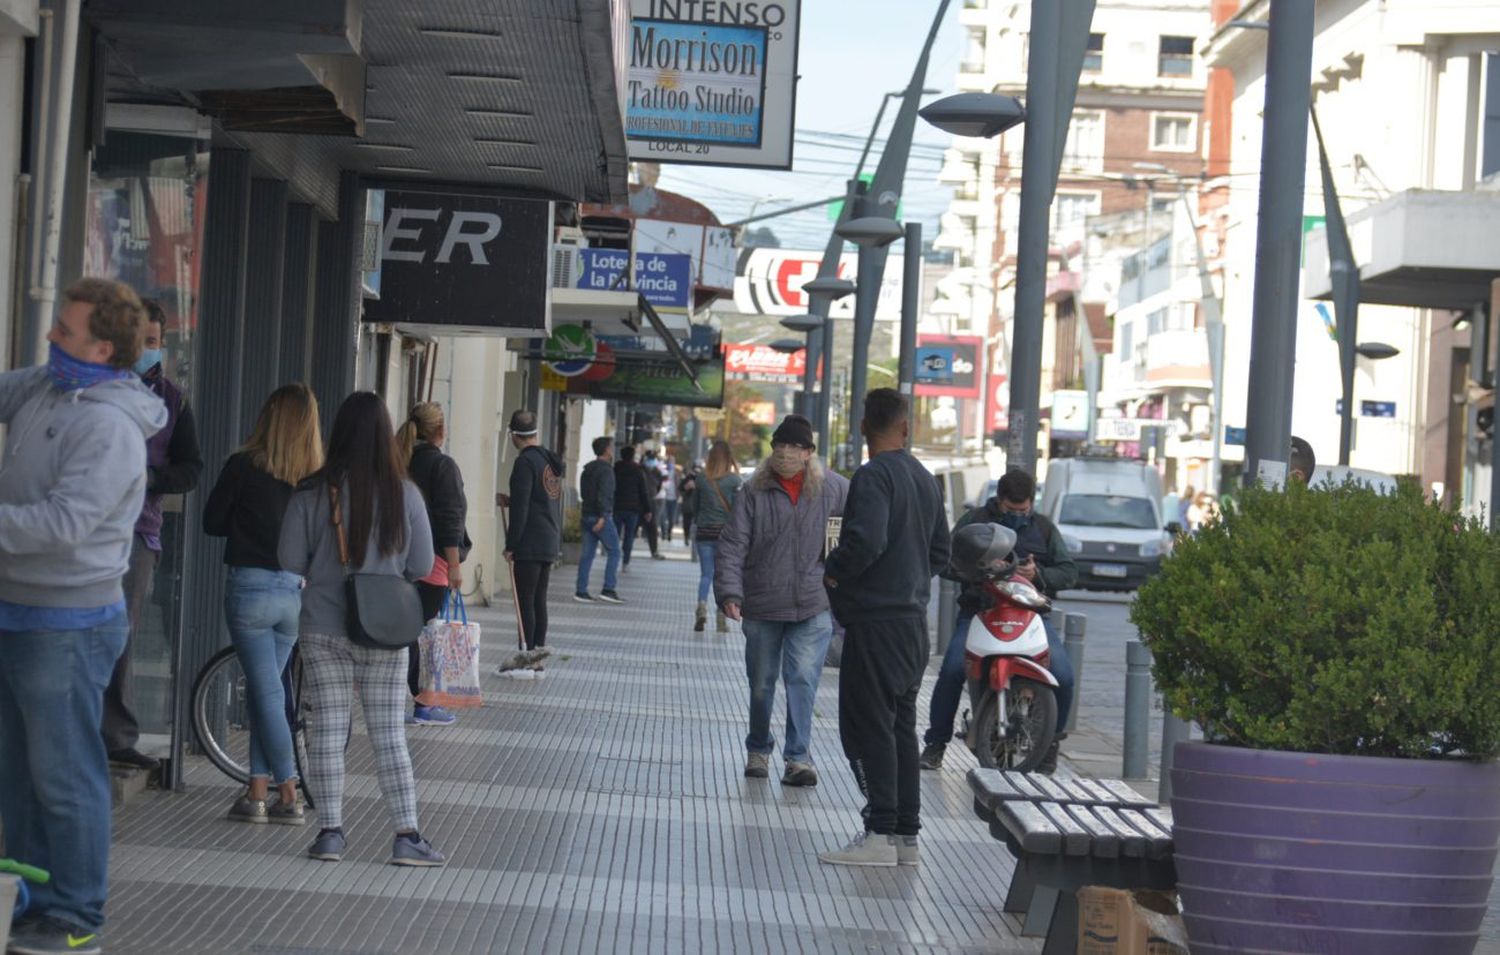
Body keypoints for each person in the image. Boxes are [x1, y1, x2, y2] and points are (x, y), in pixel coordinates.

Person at [0, 278, 167, 955]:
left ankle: (74, 917)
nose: (49, 337)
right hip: (18, 609)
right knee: (20, 773)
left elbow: (65, 523)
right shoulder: (49, 387)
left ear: (102, 346)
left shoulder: (109, 426)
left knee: (65, 774)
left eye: (63, 331)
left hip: (67, 624)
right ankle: (30, 903)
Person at [277, 392, 445, 867]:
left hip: (322, 625)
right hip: (384, 631)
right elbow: (420, 564)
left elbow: (289, 559)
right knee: (388, 733)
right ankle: (406, 836)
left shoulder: (312, 491)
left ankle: (330, 833)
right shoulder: (405, 493)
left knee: (327, 731)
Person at [820, 390, 949, 868]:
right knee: (900, 729)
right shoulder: (924, 479)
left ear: (862, 427)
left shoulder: (874, 477)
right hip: (913, 625)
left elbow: (866, 540)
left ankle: (878, 833)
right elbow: (942, 553)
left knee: (866, 727)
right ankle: (904, 839)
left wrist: (836, 569)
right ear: (906, 426)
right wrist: (908, 577)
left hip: (875, 623)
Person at [203, 383, 323, 824]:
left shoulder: (242, 466)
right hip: (294, 593)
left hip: (251, 591)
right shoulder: (315, 479)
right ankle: (256, 792)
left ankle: (288, 792)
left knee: (267, 690)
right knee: (266, 689)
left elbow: (212, 522)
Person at [716, 416, 849, 787]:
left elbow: (853, 536)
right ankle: (758, 748)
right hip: (762, 602)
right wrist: (730, 592)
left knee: (803, 680)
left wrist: (842, 584)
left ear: (809, 453)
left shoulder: (835, 490)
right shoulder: (753, 491)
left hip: (813, 602)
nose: (786, 454)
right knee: (761, 682)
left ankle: (798, 758)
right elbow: (732, 545)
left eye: (794, 448)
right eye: (780, 447)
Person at [919, 469, 1078, 774]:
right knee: (952, 670)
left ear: (1032, 503)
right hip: (980, 612)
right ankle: (935, 744)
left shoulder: (1044, 528)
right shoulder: (973, 522)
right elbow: (945, 560)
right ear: (999, 501)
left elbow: (1069, 571)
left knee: (1064, 675)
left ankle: (1049, 744)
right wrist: (979, 568)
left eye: (1024, 509)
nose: (1019, 514)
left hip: (1030, 615)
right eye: (1011, 509)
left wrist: (1038, 575)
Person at [101, 298, 203, 771]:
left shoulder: (174, 400)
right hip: (86, 528)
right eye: (141, 340)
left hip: (139, 532)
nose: (148, 349)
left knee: (122, 633)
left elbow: (190, 469)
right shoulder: (96, 386)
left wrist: (151, 479)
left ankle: (116, 736)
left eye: (155, 342)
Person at [397, 402, 471, 726]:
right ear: (440, 431)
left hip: (397, 560)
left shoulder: (399, 460)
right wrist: (454, 565)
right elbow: (449, 519)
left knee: (409, 632)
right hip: (435, 563)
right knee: (429, 633)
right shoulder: (443, 466)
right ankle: (424, 703)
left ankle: (417, 698)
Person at [501, 410, 563, 651]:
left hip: (529, 542)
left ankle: (526, 653)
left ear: (514, 436)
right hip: (549, 538)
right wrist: (512, 499)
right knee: (539, 600)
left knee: (525, 601)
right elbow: (539, 498)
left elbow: (523, 509)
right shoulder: (550, 461)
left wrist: (511, 545)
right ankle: (538, 650)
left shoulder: (525, 462)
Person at [693, 441, 743, 633]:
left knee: (706, 574)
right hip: (725, 535)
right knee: (723, 577)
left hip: (704, 532)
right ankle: (721, 617)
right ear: (728, 457)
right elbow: (738, 511)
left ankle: (701, 606)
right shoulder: (734, 481)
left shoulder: (701, 479)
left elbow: (695, 508)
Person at [575, 436, 623, 603]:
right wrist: (603, 516)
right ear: (607, 450)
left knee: (587, 554)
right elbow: (605, 495)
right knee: (615, 551)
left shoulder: (587, 469)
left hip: (586, 514)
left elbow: (583, 493)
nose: (612, 450)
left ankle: (581, 590)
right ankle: (608, 588)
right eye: (611, 447)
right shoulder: (606, 471)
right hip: (600, 517)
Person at [613, 446, 654, 572]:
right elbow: (643, 491)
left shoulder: (615, 469)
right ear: (632, 456)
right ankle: (625, 563)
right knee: (629, 536)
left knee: (615, 535)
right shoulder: (638, 471)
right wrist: (647, 510)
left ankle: (613, 561)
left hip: (617, 507)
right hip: (633, 508)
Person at [642, 449, 665, 559]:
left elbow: (659, 486)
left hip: (651, 501)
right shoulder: (640, 469)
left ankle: (654, 551)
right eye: (650, 459)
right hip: (638, 501)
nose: (651, 461)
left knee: (652, 527)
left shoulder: (657, 472)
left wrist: (653, 493)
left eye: (653, 459)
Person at [659, 449, 680, 543]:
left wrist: (678, 495)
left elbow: (679, 485)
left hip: (673, 498)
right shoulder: (663, 472)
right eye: (669, 461)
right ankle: (663, 533)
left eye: (672, 461)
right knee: (663, 517)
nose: (671, 463)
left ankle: (669, 533)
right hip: (664, 497)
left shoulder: (676, 473)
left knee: (671, 518)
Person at [679, 462, 700, 556]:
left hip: (697, 506)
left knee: (696, 525)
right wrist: (687, 487)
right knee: (686, 523)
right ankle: (686, 536)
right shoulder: (687, 478)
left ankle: (693, 542)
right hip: (688, 505)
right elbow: (680, 488)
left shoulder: (702, 479)